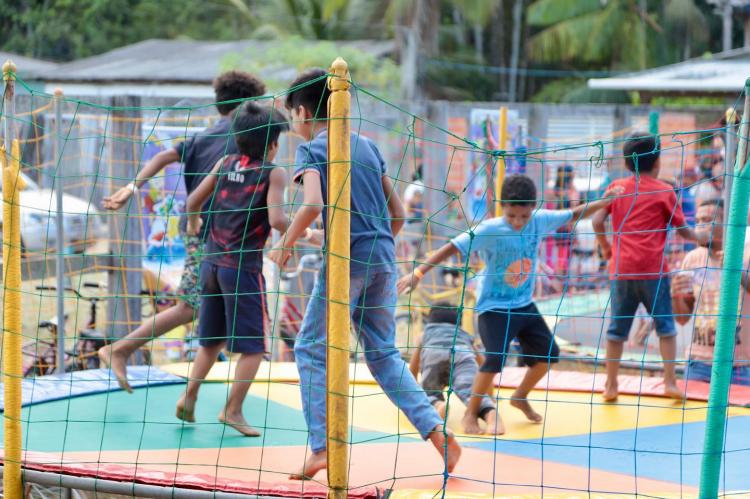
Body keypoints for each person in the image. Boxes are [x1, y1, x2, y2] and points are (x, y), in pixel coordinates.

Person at [267, 68, 460, 480]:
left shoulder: (314, 149)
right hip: (383, 258)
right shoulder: (368, 146)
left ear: (301, 112)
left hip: (349, 264)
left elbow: (313, 203)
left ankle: (321, 447)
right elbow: (398, 215)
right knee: (383, 353)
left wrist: (285, 245)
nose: (294, 129)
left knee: (308, 348)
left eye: (292, 120)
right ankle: (437, 432)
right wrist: (365, 244)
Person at [398, 174, 623, 435]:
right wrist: (418, 273)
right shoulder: (489, 229)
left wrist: (604, 201)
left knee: (549, 354)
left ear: (532, 210)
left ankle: (520, 396)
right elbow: (451, 247)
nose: (518, 222)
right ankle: (471, 414)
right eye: (511, 216)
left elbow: (573, 213)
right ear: (502, 207)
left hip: (524, 305)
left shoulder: (539, 220)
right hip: (493, 307)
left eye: (523, 217)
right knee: (494, 359)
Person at [98, 71, 266, 392]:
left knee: (201, 308)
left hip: (200, 231)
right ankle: (121, 349)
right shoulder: (243, 135)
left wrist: (132, 187)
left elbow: (163, 156)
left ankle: (185, 385)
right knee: (195, 307)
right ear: (247, 106)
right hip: (221, 238)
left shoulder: (202, 137)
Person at [174, 102, 290, 436]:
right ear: (272, 145)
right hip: (242, 269)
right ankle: (233, 410)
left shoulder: (225, 164)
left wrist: (195, 222)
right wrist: (303, 232)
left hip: (211, 263)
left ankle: (189, 397)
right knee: (254, 347)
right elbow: (277, 219)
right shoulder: (272, 172)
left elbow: (192, 201)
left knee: (210, 340)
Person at [593, 131, 704, 402]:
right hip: (653, 271)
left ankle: (610, 385)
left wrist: (607, 249)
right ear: (657, 162)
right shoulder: (665, 191)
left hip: (621, 270)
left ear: (627, 162)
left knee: (616, 331)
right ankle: (669, 382)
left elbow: (596, 221)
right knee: (665, 327)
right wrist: (707, 238)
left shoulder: (616, 188)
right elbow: (686, 233)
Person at [672, 199, 750, 385]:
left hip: (741, 364)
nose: (700, 226)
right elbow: (682, 319)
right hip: (699, 363)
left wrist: (736, 271)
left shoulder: (746, 254)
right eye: (698, 221)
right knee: (693, 415)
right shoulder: (692, 259)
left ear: (728, 222)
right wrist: (674, 294)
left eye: (707, 220)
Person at [409, 303, 497, 422]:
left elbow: (414, 364)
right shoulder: (463, 334)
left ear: (430, 321)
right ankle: (489, 412)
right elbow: (484, 366)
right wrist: (490, 396)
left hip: (434, 354)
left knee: (429, 393)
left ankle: (437, 404)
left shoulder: (426, 334)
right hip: (462, 355)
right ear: (458, 323)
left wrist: (411, 391)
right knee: (471, 392)